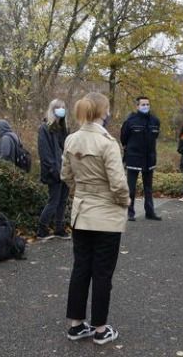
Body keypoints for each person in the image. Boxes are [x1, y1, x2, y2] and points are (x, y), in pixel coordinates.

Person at [61, 92, 129, 345]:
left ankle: (76, 325)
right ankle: (101, 329)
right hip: (106, 215)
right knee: (102, 272)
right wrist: (124, 202)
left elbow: (65, 175)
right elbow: (119, 183)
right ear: (103, 111)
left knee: (81, 268)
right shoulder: (107, 142)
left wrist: (80, 194)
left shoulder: (71, 140)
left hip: (82, 212)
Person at [120, 96, 161, 221]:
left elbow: (155, 136)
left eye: (147, 104)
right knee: (131, 188)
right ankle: (129, 213)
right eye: (143, 104)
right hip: (134, 158)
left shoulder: (155, 121)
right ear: (137, 106)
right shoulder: (130, 121)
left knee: (148, 188)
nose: (146, 106)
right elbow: (123, 139)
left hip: (149, 159)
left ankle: (150, 212)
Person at [37, 99, 70, 240]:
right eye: (58, 107)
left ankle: (59, 228)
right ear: (52, 109)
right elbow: (45, 153)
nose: (61, 110)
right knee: (54, 201)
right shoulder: (45, 128)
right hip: (54, 171)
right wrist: (53, 170)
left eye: (63, 107)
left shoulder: (64, 129)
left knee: (63, 200)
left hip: (66, 170)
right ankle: (42, 228)